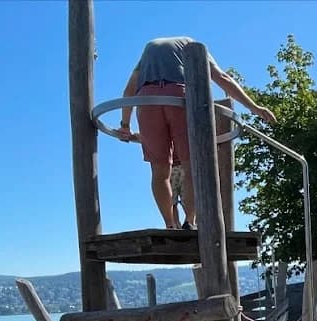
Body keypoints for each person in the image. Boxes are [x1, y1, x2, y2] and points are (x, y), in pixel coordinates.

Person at [117, 37, 277, 229]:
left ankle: (169, 224)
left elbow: (129, 90)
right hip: (181, 96)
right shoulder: (191, 45)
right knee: (192, 165)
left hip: (147, 100)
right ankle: (189, 221)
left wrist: (125, 124)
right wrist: (254, 107)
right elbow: (222, 78)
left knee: (159, 170)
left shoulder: (150, 48)